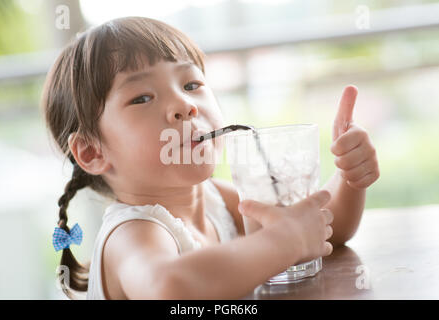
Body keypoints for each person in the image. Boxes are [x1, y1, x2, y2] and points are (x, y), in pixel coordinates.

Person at [42, 16, 379, 300]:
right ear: (92, 151)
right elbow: (170, 286)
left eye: (191, 85)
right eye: (142, 97)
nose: (185, 106)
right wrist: (283, 242)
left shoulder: (220, 200)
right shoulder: (131, 232)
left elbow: (321, 230)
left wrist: (348, 176)